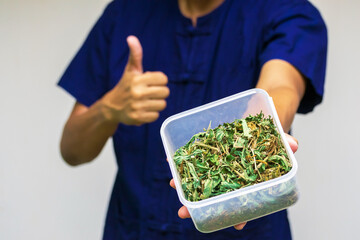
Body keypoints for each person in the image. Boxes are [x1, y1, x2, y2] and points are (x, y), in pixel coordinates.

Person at [58, 0, 327, 239]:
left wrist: (255, 148)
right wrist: (109, 109)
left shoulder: (287, 12)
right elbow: (72, 150)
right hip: (133, 228)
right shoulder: (124, 14)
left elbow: (281, 87)